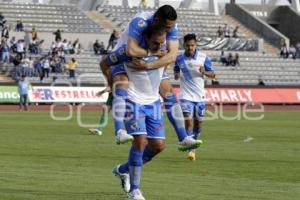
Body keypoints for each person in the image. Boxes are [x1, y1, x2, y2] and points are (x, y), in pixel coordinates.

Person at [100, 5, 201, 151]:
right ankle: (120, 131)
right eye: (166, 27)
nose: (169, 30)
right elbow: (131, 50)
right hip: (125, 59)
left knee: (169, 94)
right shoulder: (140, 21)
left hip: (151, 59)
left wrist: (150, 65)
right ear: (157, 20)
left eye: (170, 27)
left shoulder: (168, 29)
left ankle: (183, 137)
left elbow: (171, 55)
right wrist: (110, 82)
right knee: (121, 87)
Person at [112, 24, 167, 200]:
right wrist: (113, 80)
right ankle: (134, 190)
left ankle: (123, 169)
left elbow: (163, 69)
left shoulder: (164, 52)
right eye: (156, 43)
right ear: (147, 39)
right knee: (140, 140)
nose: (160, 46)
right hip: (133, 99)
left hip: (152, 102)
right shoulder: (129, 50)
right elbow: (109, 61)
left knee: (158, 146)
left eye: (162, 43)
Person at [174, 34, 215, 161]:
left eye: (192, 45)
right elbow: (176, 70)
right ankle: (190, 149)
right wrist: (176, 75)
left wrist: (205, 72)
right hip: (185, 95)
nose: (190, 47)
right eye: (187, 45)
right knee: (188, 120)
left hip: (199, 96)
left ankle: (193, 144)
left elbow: (213, 75)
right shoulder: (179, 58)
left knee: (199, 124)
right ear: (184, 45)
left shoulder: (203, 58)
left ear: (196, 45)